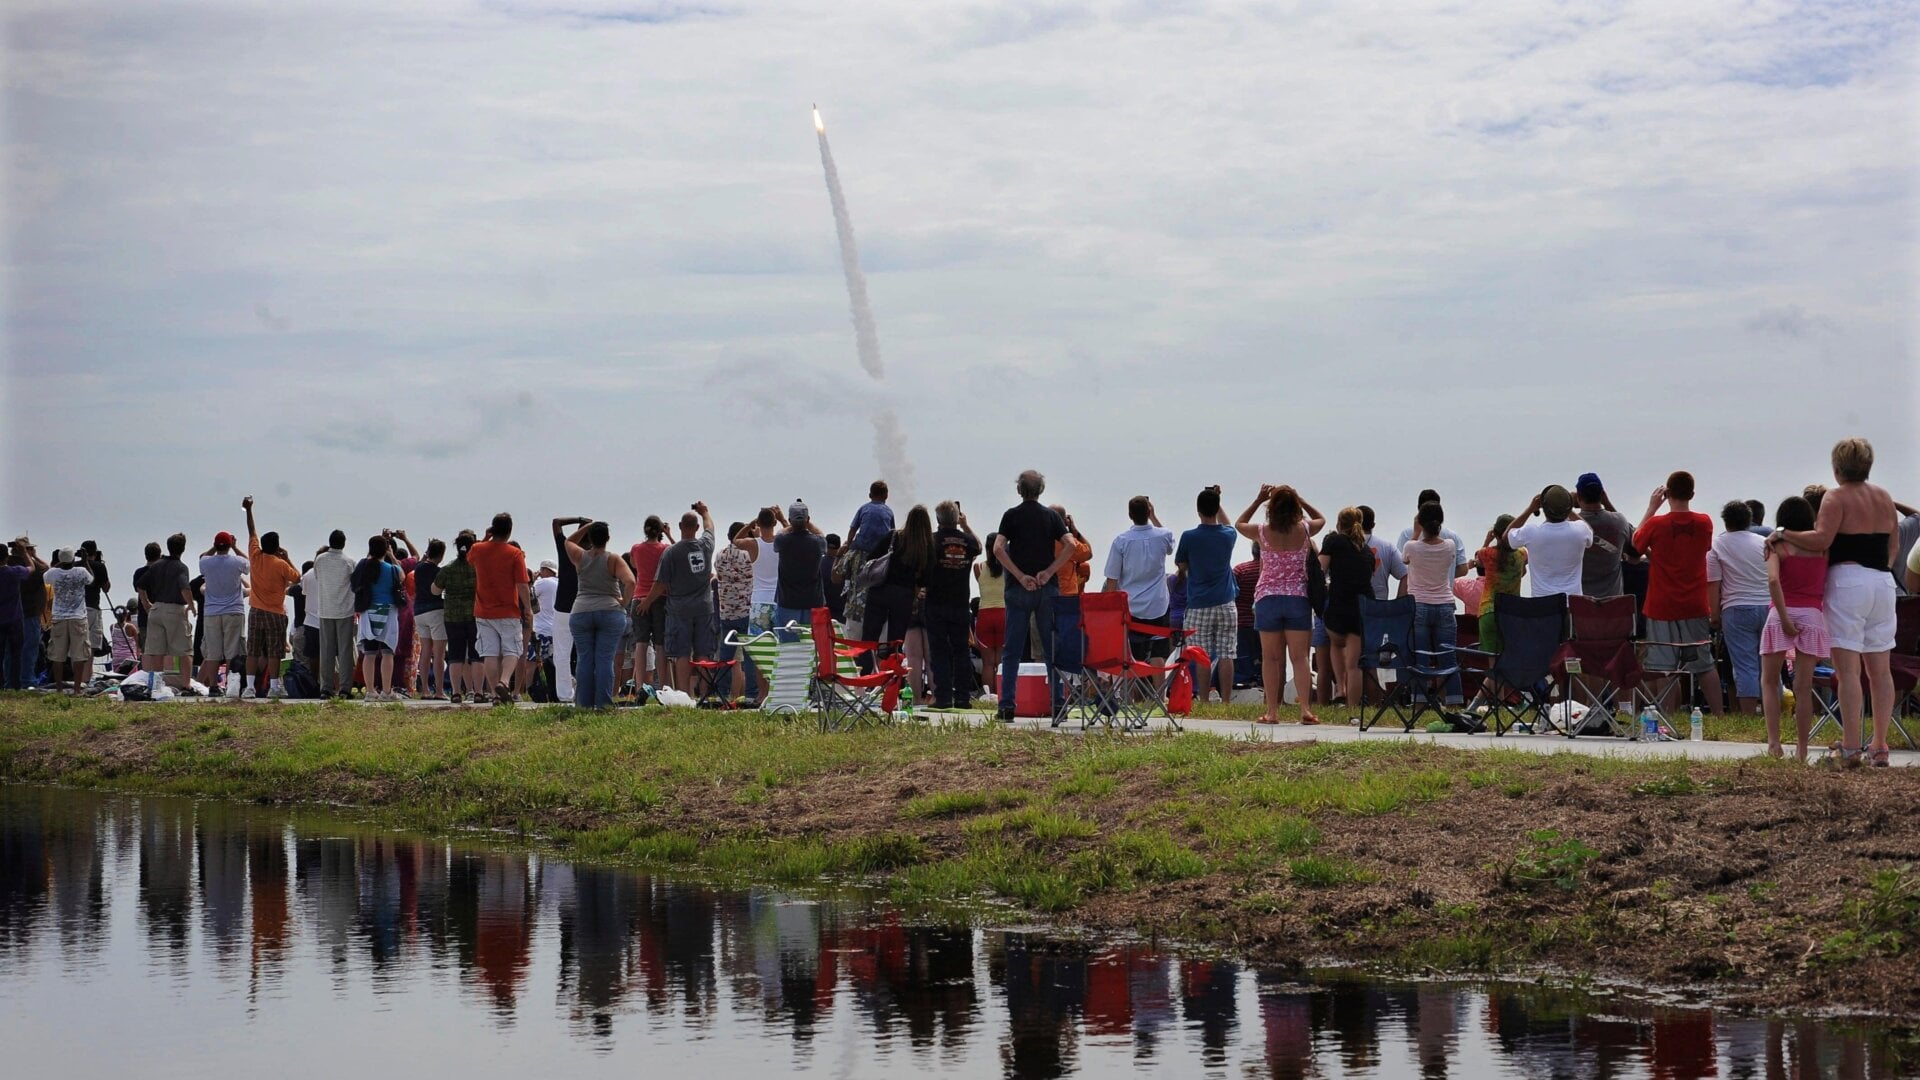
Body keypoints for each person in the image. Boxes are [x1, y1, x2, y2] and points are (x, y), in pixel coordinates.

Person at [1769, 438, 1902, 767]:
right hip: (1883, 582)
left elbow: (1822, 539)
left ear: (1837, 468)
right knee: (1880, 670)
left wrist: (1784, 533)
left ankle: (1850, 746)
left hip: (1848, 581)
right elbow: (1894, 546)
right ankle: (1881, 745)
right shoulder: (1884, 497)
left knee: (1848, 670)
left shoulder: (1836, 497)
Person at [1633, 471, 1725, 717]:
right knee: (1704, 662)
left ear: (1668, 494)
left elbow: (1636, 543)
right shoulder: (1705, 522)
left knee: (1664, 666)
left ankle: (1667, 715)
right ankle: (1718, 714)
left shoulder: (1656, 524)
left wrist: (1652, 508)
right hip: (1695, 602)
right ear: (1692, 494)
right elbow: (1703, 548)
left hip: (1661, 603)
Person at [1236, 485, 1326, 725]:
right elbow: (1321, 519)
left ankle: (1272, 712)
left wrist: (1257, 500)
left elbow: (1239, 524)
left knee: (1271, 658)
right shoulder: (1305, 530)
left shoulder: (1263, 531)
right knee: (1300, 658)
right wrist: (1301, 498)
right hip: (1297, 598)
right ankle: (1305, 709)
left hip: (1268, 598)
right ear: (1295, 506)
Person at [993, 470, 1071, 724]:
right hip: (1046, 588)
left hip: (1018, 588)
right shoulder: (1050, 516)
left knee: (1012, 649)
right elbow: (1071, 544)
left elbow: (998, 548)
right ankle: (1058, 703)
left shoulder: (1011, 516)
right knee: (1051, 649)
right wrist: (1049, 571)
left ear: (1019, 490)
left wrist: (1018, 574)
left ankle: (1006, 706)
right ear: (1041, 490)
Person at [1759, 496, 1826, 761]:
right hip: (1812, 615)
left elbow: (1774, 580)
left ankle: (1774, 744)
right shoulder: (1822, 548)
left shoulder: (1776, 546)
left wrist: (1785, 617)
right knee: (1803, 686)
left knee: (1769, 680)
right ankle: (1802, 750)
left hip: (1780, 613)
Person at [1177, 486, 1240, 704]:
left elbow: (1182, 564)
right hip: (1225, 602)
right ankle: (1226, 701)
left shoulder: (1189, 537)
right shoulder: (1228, 535)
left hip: (1199, 603)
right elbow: (1230, 525)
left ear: (1197, 510)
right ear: (1216, 509)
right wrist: (1218, 500)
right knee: (1226, 653)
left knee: (1201, 654)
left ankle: (1203, 699)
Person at [1400, 502, 1465, 713]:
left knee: (1421, 657)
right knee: (1448, 657)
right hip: (1445, 605)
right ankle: (1454, 702)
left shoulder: (1412, 546)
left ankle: (1419, 703)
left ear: (1420, 522)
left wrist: (1416, 532)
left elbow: (1405, 559)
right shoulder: (1449, 546)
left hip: (1419, 605)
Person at [645, 505, 717, 694]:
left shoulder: (671, 552)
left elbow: (660, 584)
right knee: (703, 652)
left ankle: (685, 695)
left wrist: (646, 602)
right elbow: (710, 528)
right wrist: (704, 512)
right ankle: (704, 693)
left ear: (679, 526)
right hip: (704, 608)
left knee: (682, 653)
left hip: (679, 610)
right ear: (697, 528)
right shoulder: (706, 546)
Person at [564, 521, 635, 710]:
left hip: (581, 610)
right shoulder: (613, 559)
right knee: (605, 659)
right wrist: (623, 602)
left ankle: (583, 704)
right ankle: (604, 703)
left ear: (589, 539)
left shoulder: (580, 556)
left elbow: (568, 541)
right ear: (608, 539)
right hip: (610, 610)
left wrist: (588, 526)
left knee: (584, 658)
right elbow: (630, 582)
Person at [1708, 500, 1770, 715]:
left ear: (1725, 522)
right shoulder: (1764, 542)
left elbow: (1714, 583)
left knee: (1745, 667)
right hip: (1768, 607)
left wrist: (1714, 615)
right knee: (1769, 666)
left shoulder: (1717, 545)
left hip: (1736, 608)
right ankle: (1773, 713)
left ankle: (1749, 715)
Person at [1102, 495, 1176, 663]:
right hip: (1158, 604)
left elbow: (1112, 579)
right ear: (1148, 511)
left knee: (1134, 656)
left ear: (1130, 515)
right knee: (1158, 653)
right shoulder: (1163, 535)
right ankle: (1160, 690)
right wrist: (1153, 516)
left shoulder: (1121, 541)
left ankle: (1136, 689)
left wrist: (1111, 612)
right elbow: (1170, 544)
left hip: (1131, 607)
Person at [470, 513, 533, 705]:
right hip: (508, 611)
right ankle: (504, 682)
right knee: (512, 650)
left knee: (489, 653)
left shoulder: (477, 549)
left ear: (493, 528)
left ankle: (495, 694)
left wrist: (485, 537)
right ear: (510, 531)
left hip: (483, 611)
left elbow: (470, 558)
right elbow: (522, 584)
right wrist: (528, 609)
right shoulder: (515, 554)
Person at [242, 497, 302, 699]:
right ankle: (274, 687)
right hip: (275, 612)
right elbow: (297, 578)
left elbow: (252, 531)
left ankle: (250, 687)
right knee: (275, 652)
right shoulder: (280, 564)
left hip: (256, 610)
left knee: (253, 650)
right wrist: (286, 557)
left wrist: (249, 509)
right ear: (277, 547)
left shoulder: (255, 556)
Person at [926, 501, 981, 710]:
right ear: (957, 517)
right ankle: (963, 697)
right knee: (961, 651)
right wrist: (965, 526)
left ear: (938, 519)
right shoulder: (967, 541)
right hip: (960, 602)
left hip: (936, 601)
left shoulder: (932, 540)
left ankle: (943, 697)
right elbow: (979, 547)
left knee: (939, 651)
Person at [1318, 508, 1374, 713]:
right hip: (1361, 608)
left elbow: (1320, 569)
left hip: (1338, 605)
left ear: (1340, 524)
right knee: (1355, 665)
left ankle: (1340, 688)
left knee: (1336, 642)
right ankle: (1352, 708)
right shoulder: (1366, 551)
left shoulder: (1333, 541)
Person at [866, 504, 934, 663]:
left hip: (879, 591)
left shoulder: (893, 536)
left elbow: (871, 559)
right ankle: (893, 679)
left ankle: (864, 677)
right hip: (904, 595)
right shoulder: (926, 546)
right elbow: (926, 578)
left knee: (869, 639)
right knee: (895, 643)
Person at [1503, 485, 1591, 601]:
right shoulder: (1580, 531)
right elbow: (1588, 531)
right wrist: (1568, 508)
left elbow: (1506, 538)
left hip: (1543, 608)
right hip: (1573, 607)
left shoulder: (1531, 533)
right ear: (1568, 507)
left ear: (1543, 509)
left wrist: (1530, 509)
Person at [197, 529, 250, 694]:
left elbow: (203, 557)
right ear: (229, 545)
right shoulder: (236, 562)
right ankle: (230, 686)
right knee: (232, 651)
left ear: (215, 545)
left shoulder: (206, 562)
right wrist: (235, 547)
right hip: (233, 610)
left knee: (213, 652)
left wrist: (213, 548)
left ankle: (213, 685)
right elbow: (248, 563)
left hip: (212, 612)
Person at [352, 535, 405, 700]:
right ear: (386, 549)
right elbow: (402, 577)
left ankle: (370, 691)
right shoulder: (393, 569)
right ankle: (387, 691)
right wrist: (392, 555)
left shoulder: (363, 566)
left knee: (369, 653)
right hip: (388, 611)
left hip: (368, 612)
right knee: (388, 652)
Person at [713, 521, 760, 703]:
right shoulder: (748, 555)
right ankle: (751, 693)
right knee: (749, 655)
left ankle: (722, 693)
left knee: (726, 655)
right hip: (746, 609)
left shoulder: (719, 556)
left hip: (726, 611)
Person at [1049, 505, 1094, 697]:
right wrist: (1074, 530)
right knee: (1070, 647)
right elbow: (1087, 553)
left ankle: (1051, 690)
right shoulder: (1066, 542)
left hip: (1046, 597)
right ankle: (1071, 690)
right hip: (1068, 600)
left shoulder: (1040, 541)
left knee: (1047, 647)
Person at [432, 532, 481, 704]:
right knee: (476, 655)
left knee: (455, 655)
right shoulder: (477, 568)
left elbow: (435, 590)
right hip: (475, 615)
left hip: (452, 616)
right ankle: (478, 692)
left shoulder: (448, 569)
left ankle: (455, 692)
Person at [311, 529, 358, 697]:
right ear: (343, 543)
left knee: (326, 651)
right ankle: (345, 689)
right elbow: (354, 584)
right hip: (345, 609)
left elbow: (318, 578)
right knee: (345, 651)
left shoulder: (319, 560)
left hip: (325, 609)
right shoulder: (349, 561)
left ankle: (326, 688)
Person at [1393, 489, 1470, 592]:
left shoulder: (1407, 535)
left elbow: (1402, 567)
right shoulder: (1452, 538)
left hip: (1417, 597)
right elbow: (1463, 569)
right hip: (1444, 597)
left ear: (1419, 510)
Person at [627, 517, 670, 693]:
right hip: (660, 598)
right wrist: (668, 534)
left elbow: (634, 564)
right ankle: (663, 686)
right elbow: (678, 553)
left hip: (639, 598)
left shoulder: (636, 548)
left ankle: (639, 687)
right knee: (660, 645)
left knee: (641, 644)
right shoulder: (665, 549)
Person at [772, 501, 825, 639]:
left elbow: (781, 534)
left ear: (790, 520)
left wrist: (783, 520)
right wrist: (807, 523)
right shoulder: (818, 542)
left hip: (787, 602)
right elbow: (820, 534)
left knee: (789, 646)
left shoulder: (782, 541)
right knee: (811, 645)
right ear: (808, 519)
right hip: (813, 602)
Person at [1473, 516, 1526, 654]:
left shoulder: (1486, 553)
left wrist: (1487, 541)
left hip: (1489, 611)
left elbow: (1477, 561)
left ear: (1495, 533)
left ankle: (1492, 676)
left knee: (1493, 667)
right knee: (1510, 659)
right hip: (1512, 612)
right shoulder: (1522, 554)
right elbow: (1522, 572)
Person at [1573, 474, 1631, 599]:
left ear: (1578, 496)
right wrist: (1607, 502)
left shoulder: (1570, 525)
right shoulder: (1619, 521)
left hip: (1581, 607)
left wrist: (1566, 504)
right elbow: (1633, 546)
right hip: (1614, 605)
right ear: (1602, 494)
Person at [45, 548, 94, 693]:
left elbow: (45, 576)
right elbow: (91, 580)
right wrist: (85, 562)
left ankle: (59, 688)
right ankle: (77, 688)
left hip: (59, 617)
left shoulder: (53, 573)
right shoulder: (81, 571)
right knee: (79, 654)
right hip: (78, 617)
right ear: (73, 559)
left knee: (57, 655)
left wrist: (61, 562)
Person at [733, 508, 781, 641]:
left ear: (758, 523)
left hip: (759, 601)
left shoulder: (752, 544)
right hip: (778, 599)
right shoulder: (781, 541)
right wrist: (782, 519)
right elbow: (793, 533)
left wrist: (749, 525)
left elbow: (736, 540)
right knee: (780, 644)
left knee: (759, 645)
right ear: (774, 523)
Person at [410, 538, 449, 700]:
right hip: (436, 611)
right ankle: (439, 690)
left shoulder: (418, 568)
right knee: (439, 653)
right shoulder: (438, 571)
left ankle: (424, 689)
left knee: (425, 651)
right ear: (441, 555)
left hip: (419, 611)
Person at [975, 532, 1007, 697]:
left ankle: (988, 696)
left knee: (988, 663)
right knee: (1000, 662)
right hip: (1003, 614)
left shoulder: (978, 567)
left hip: (984, 615)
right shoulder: (1008, 568)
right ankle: (1001, 695)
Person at [15, 537, 48, 689]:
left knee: (12, 650)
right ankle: (27, 680)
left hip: (14, 615)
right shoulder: (30, 568)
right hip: (30, 613)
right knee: (30, 648)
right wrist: (32, 555)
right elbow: (45, 568)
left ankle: (11, 681)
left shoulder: (10, 564)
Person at [0, 545, 31, 691]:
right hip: (14, 618)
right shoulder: (13, 571)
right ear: (6, 557)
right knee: (16, 654)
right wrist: (25, 553)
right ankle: (16, 685)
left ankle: (1, 685)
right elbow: (31, 568)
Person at [527, 561, 560, 696]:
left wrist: (533, 579)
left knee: (532, 661)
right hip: (555, 628)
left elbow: (529, 596)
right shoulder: (559, 583)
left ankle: (530, 689)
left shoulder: (542, 583)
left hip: (539, 629)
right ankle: (552, 689)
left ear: (544, 570)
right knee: (552, 663)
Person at [1232, 545, 1261, 689]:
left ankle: (1244, 682)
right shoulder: (1270, 572)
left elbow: (1231, 593)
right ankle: (1262, 681)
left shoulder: (1240, 570)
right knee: (1263, 656)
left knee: (1243, 656)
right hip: (1263, 621)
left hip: (1242, 621)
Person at [77, 541, 110, 659]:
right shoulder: (99, 566)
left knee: (77, 646)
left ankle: (77, 675)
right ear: (95, 552)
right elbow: (106, 588)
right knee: (91, 646)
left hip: (76, 609)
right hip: (92, 607)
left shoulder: (75, 566)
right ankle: (86, 675)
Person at [820, 534, 847, 623]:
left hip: (822, 610)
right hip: (841, 611)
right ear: (839, 547)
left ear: (825, 545)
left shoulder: (817, 563)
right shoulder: (844, 565)